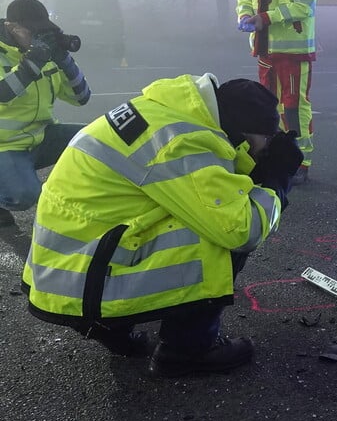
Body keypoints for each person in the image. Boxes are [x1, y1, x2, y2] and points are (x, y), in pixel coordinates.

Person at [22, 74, 303, 377]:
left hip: (68, 263)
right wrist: (276, 180)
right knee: (219, 232)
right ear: (243, 132)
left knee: (202, 211)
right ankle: (188, 349)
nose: (267, 145)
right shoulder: (184, 142)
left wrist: (256, 165)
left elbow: (206, 174)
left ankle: (110, 325)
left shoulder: (172, 111)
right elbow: (242, 230)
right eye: (267, 138)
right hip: (85, 277)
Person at [236, 0, 317, 186]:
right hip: (265, 49)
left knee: (294, 107)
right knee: (267, 108)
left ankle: (300, 163)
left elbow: (304, 6)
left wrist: (264, 19)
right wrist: (245, 14)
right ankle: (271, 160)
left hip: (293, 51)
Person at [0, 0, 92, 228]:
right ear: (11, 28)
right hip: (5, 145)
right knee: (23, 195)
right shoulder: (22, 56)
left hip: (39, 138)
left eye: (42, 31)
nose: (38, 37)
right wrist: (33, 60)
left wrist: (65, 60)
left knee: (96, 141)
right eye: (33, 31)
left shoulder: (41, 54)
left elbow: (82, 97)